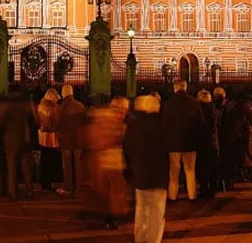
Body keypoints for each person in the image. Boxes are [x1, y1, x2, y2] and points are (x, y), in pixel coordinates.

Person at [124, 94, 170, 243]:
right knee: (156, 212)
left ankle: (140, 236)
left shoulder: (132, 127)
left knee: (141, 209)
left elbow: (127, 150)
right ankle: (153, 239)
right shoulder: (160, 126)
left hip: (139, 175)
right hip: (157, 177)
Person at [83, 96, 129, 229]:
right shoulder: (112, 121)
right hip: (109, 162)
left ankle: (108, 217)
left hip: (105, 162)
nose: (124, 112)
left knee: (108, 193)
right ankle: (109, 218)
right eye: (123, 109)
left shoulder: (101, 118)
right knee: (112, 193)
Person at [161, 79, 204, 201]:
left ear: (175, 88)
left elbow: (164, 125)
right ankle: (192, 195)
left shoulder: (167, 104)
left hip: (173, 143)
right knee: (190, 171)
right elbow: (200, 124)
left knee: (173, 171)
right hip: (190, 143)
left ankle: (172, 195)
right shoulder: (194, 103)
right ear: (185, 88)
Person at [0, 89, 34, 201]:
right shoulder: (27, 104)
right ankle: (29, 191)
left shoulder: (4, 106)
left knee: (11, 168)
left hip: (10, 139)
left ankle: (12, 193)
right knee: (26, 167)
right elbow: (34, 119)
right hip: (25, 138)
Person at [57, 84, 86, 195]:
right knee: (78, 164)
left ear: (63, 93)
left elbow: (58, 123)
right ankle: (78, 187)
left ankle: (68, 187)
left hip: (65, 139)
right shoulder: (80, 106)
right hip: (79, 139)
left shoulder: (61, 107)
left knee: (67, 164)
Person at [36, 88, 62, 191]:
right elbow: (57, 123)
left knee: (44, 160)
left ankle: (44, 182)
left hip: (42, 137)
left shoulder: (41, 106)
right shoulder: (54, 108)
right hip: (52, 138)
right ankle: (50, 182)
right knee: (52, 161)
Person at [196, 90, 220, 198]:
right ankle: (213, 188)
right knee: (213, 166)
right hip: (213, 140)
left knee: (202, 166)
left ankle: (204, 188)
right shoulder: (214, 109)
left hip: (201, 141)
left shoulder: (197, 110)